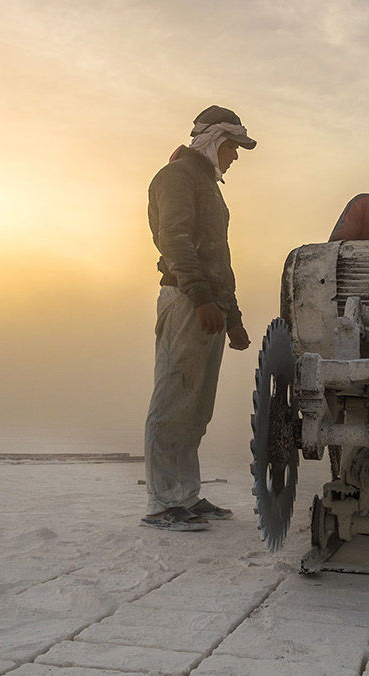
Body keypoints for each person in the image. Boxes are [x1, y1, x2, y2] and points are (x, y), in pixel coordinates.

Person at [141, 105, 255, 531]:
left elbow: (219, 257)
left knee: (196, 407)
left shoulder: (208, 185)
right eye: (232, 147)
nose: (236, 157)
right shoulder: (176, 178)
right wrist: (203, 298)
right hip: (187, 300)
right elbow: (175, 239)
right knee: (173, 398)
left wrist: (233, 316)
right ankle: (162, 502)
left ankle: (184, 496)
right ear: (213, 141)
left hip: (208, 305)